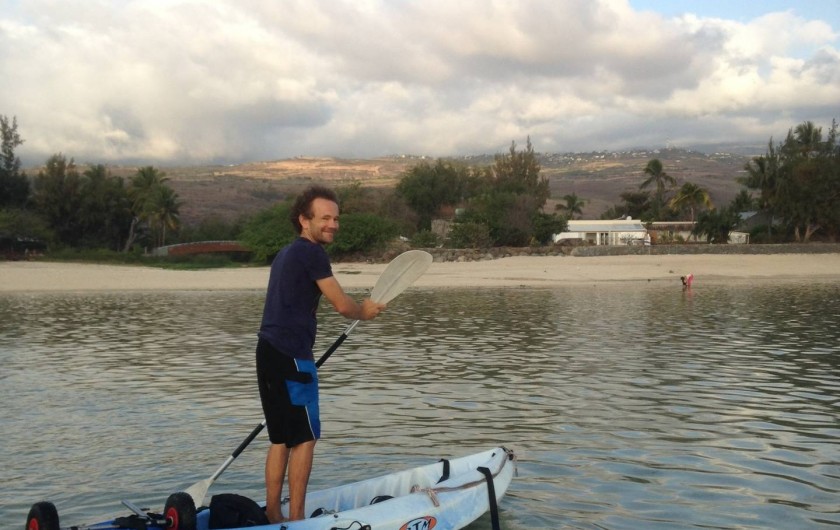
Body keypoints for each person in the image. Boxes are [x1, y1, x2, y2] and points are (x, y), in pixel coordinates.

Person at [256, 185, 386, 523]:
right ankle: (297, 518)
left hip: (267, 351)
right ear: (303, 220)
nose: (333, 224)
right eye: (325, 217)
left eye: (336, 218)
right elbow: (342, 305)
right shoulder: (312, 253)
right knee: (306, 438)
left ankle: (274, 513)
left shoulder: (285, 254)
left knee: (281, 437)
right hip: (293, 357)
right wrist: (365, 311)